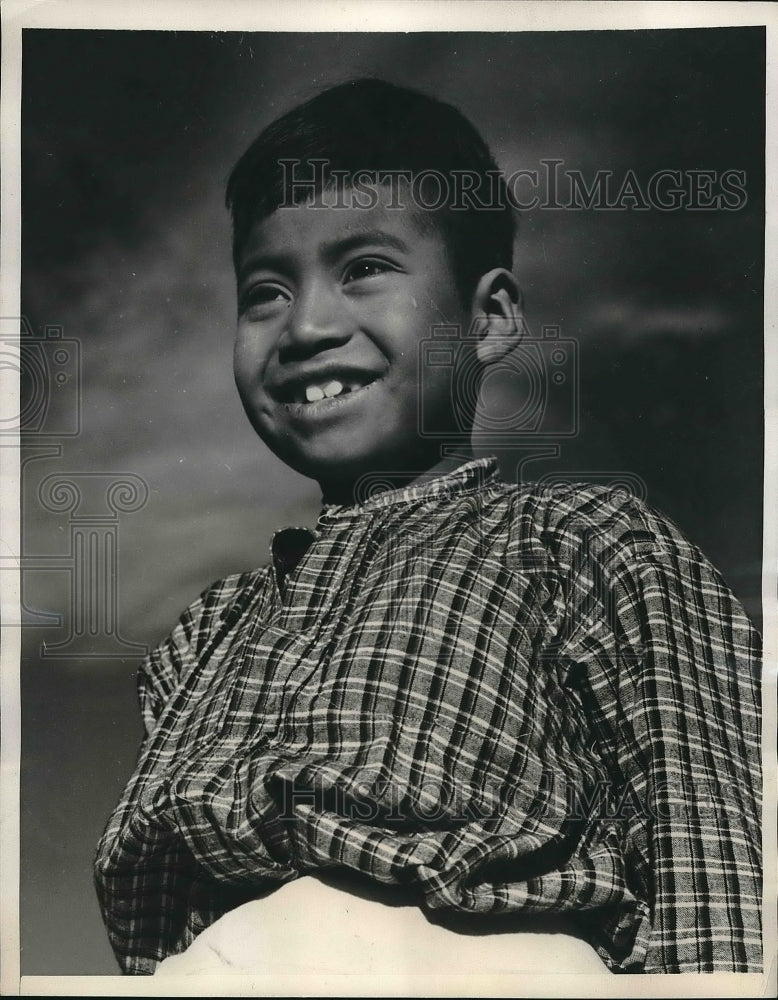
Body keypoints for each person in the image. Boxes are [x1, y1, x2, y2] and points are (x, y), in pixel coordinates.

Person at [94, 78, 762, 976]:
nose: (307, 326)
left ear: (488, 318)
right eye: (265, 289)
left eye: (364, 267)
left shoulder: (583, 546)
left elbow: (710, 866)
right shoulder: (206, 637)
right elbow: (154, 920)